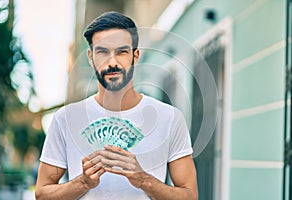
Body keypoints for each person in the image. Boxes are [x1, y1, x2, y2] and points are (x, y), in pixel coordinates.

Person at [35, 11, 198, 200]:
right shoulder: (66, 118)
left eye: (122, 52)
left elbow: (190, 196)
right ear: (90, 57)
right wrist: (83, 183)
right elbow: (42, 194)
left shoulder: (170, 118)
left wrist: (143, 179)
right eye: (102, 52)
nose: (112, 62)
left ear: (135, 56)